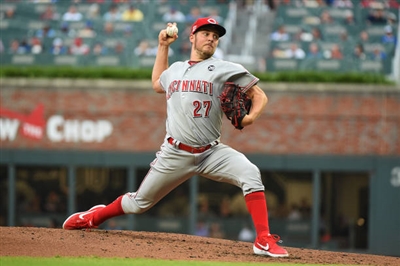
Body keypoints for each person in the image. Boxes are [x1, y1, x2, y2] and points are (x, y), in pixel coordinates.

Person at [62, 17, 289, 258]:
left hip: (212, 152)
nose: (211, 38)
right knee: (138, 203)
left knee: (251, 173)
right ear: (192, 37)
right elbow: (157, 83)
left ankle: (263, 239)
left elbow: (259, 95)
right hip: (175, 153)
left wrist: (250, 118)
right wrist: (163, 46)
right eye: (206, 33)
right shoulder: (176, 70)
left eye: (215, 35)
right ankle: (92, 217)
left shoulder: (225, 68)